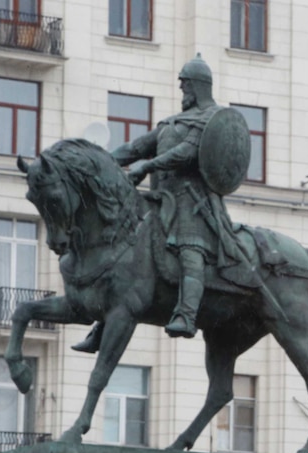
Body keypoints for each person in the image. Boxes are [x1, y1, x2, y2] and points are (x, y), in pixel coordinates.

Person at [73, 54, 249, 352]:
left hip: (194, 202)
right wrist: (100, 162)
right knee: (123, 250)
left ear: (198, 86)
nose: (183, 92)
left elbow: (186, 152)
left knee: (190, 249)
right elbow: (136, 147)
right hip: (159, 199)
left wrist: (147, 166)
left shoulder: (212, 118)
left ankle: (186, 314)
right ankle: (103, 324)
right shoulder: (171, 122)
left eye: (186, 87)